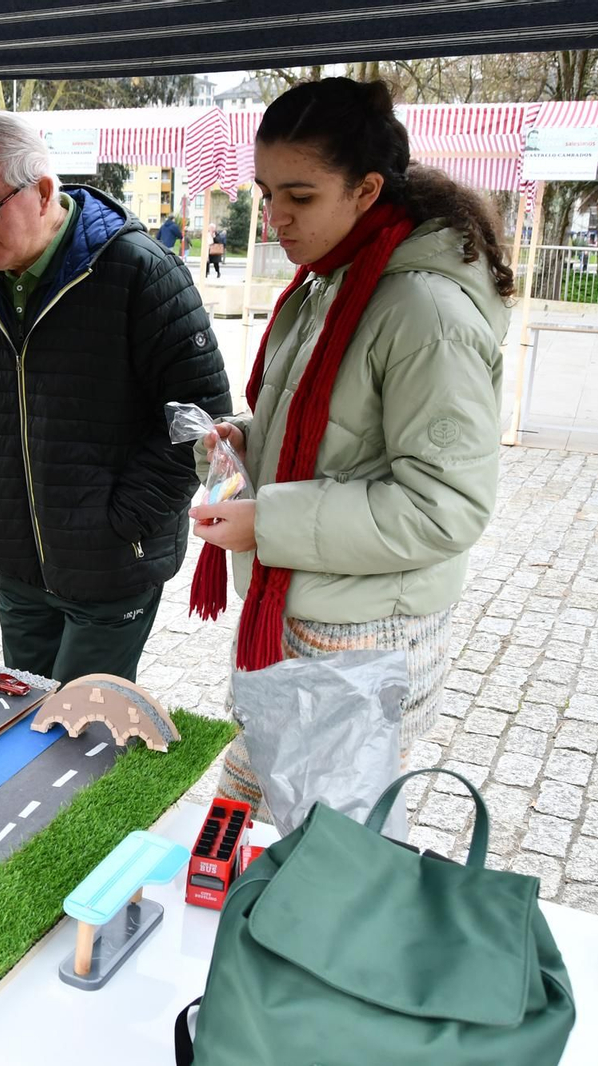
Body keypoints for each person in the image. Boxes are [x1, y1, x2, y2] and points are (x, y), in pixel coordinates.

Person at [187, 78, 514, 818]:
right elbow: (329, 434)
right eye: (266, 193)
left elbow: (444, 507)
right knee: (261, 823)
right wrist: (242, 443)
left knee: (325, 846)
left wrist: (268, 521)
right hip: (303, 609)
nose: (274, 218)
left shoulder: (422, 310)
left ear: (366, 190)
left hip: (364, 633)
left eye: (299, 197)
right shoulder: (331, 279)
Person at [0, 113, 231, 684]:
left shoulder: (139, 271)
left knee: (82, 723)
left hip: (112, 566)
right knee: (25, 717)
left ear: (44, 192)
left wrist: (124, 522)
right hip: (17, 562)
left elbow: (198, 419)